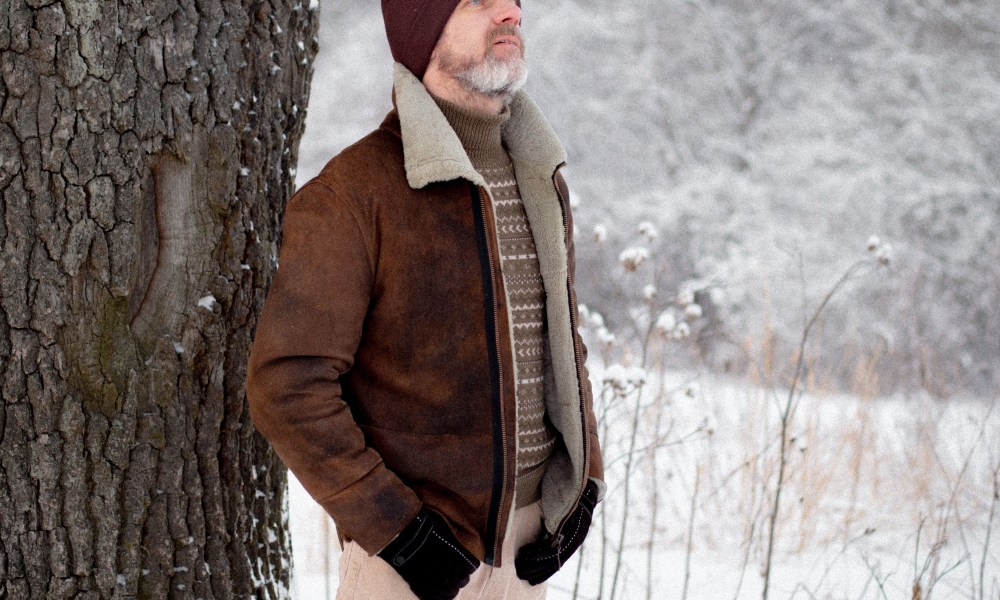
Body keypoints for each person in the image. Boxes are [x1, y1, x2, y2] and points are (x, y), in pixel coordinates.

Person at [247, 1, 604, 598]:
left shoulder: (540, 175)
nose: (511, 10)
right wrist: (399, 532)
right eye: (477, 0)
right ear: (422, 28)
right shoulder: (353, 194)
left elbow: (563, 345)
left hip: (527, 554)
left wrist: (583, 483)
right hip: (406, 564)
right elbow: (287, 385)